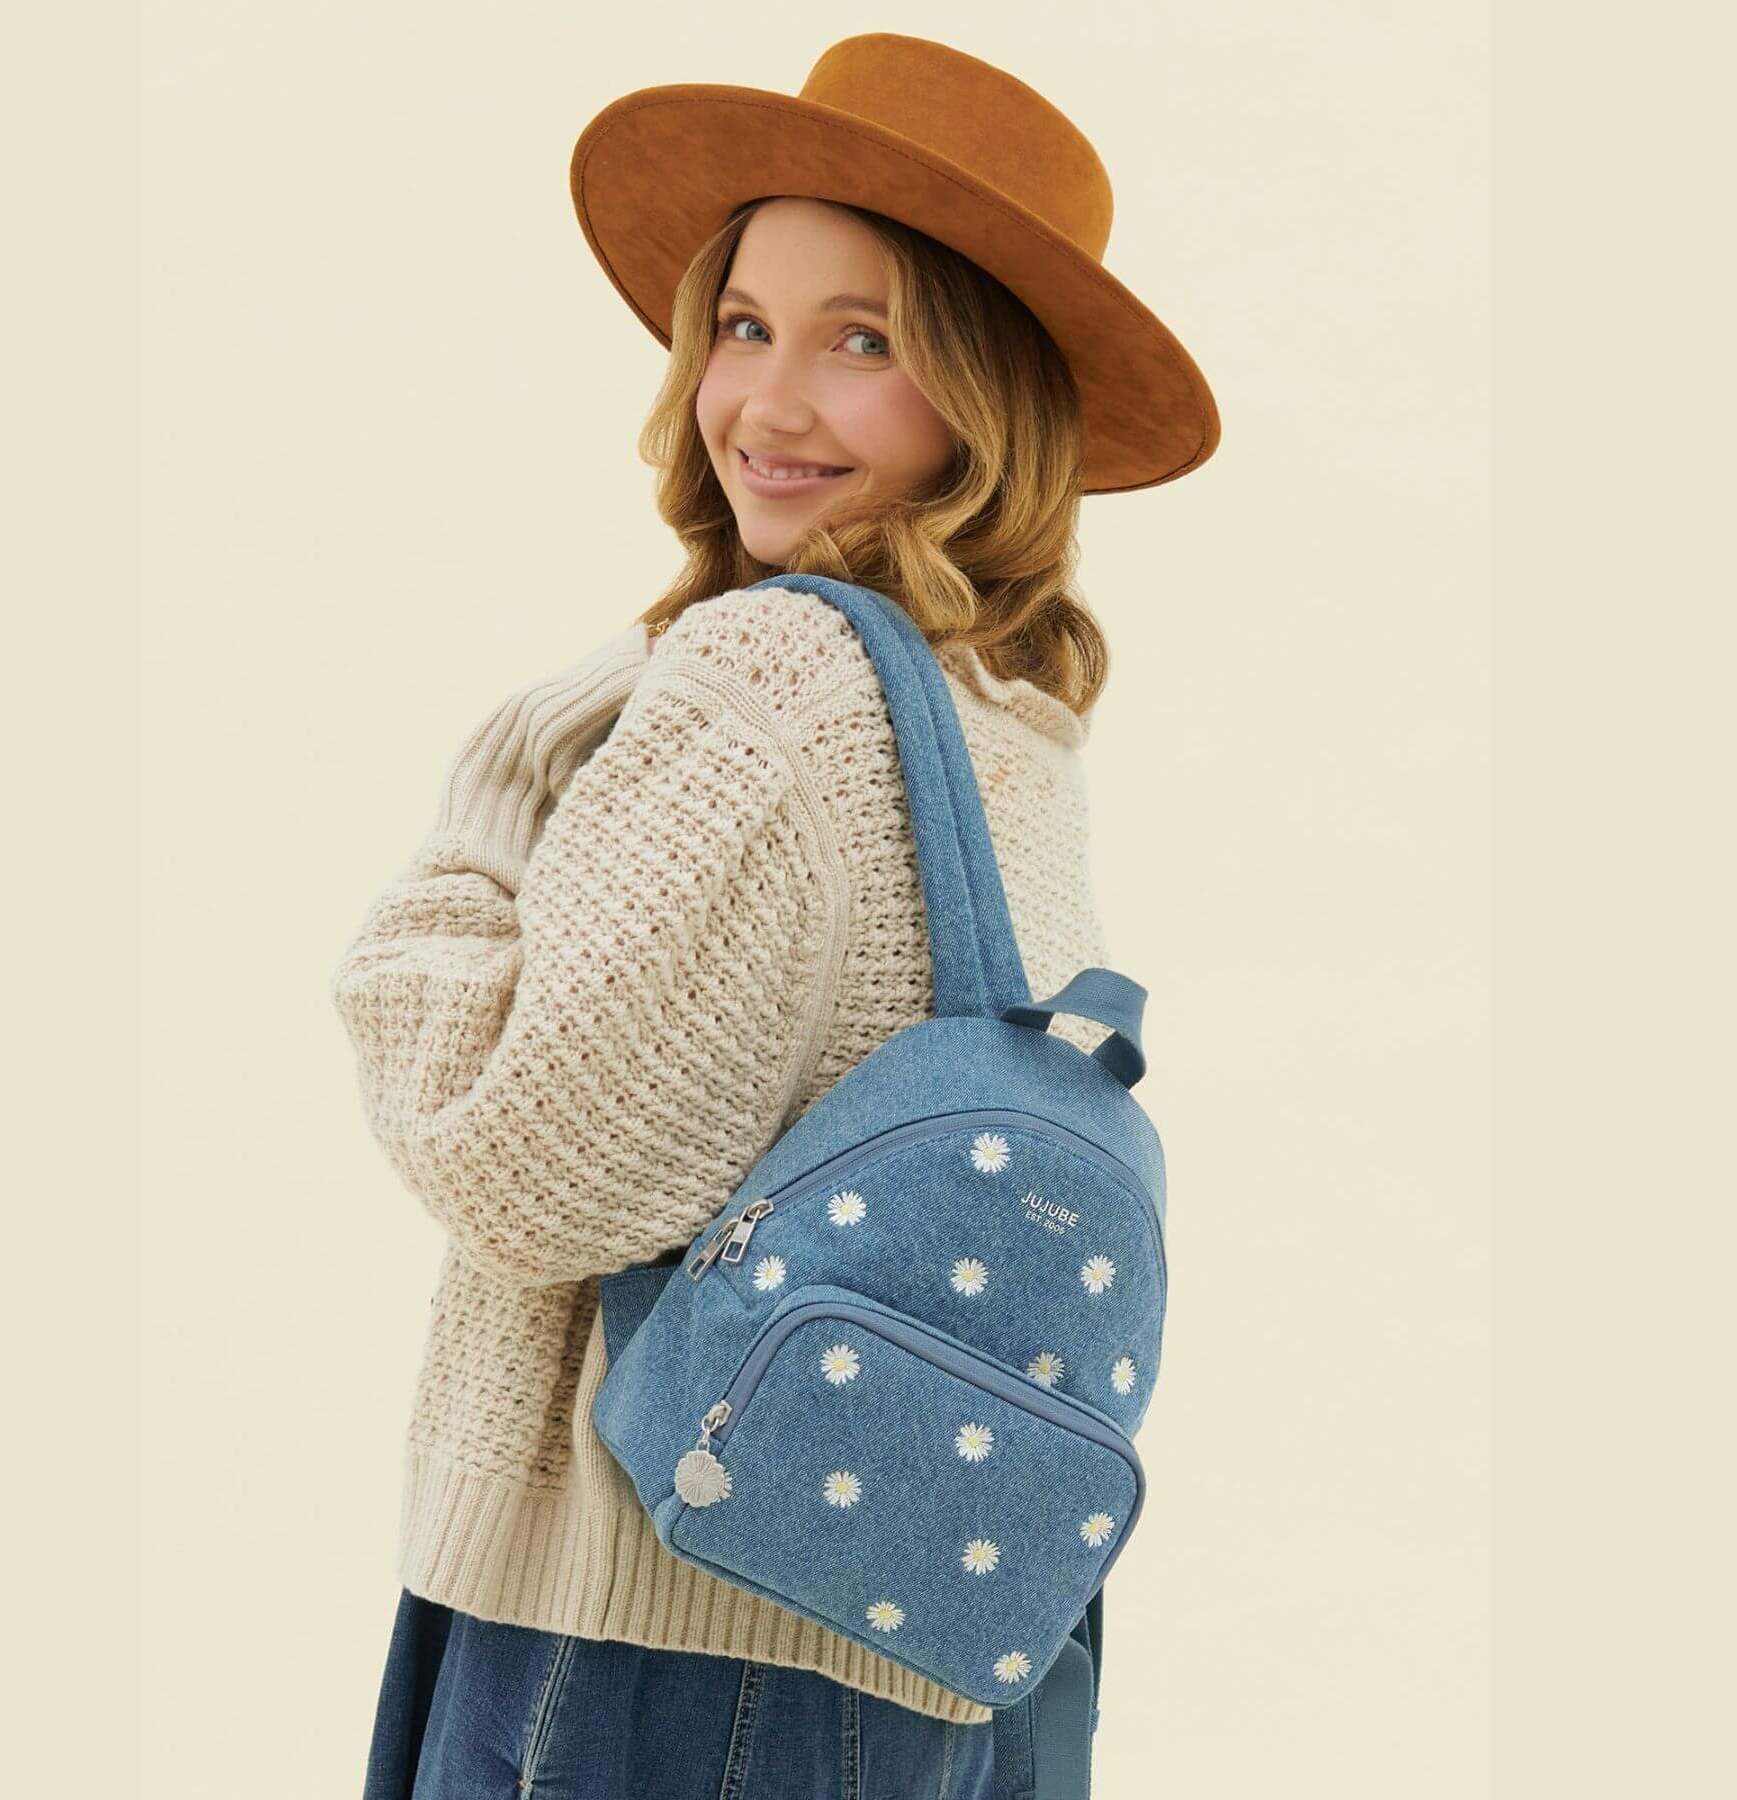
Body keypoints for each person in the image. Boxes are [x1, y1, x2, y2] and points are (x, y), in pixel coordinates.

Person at [331, 32, 1218, 1799]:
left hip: (645, 1642)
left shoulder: (774, 676)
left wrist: (477, 828)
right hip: (907, 1637)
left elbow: (526, 1174)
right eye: (745, 324)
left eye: (864, 341)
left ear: (987, 397)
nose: (768, 404)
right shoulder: (1003, 708)